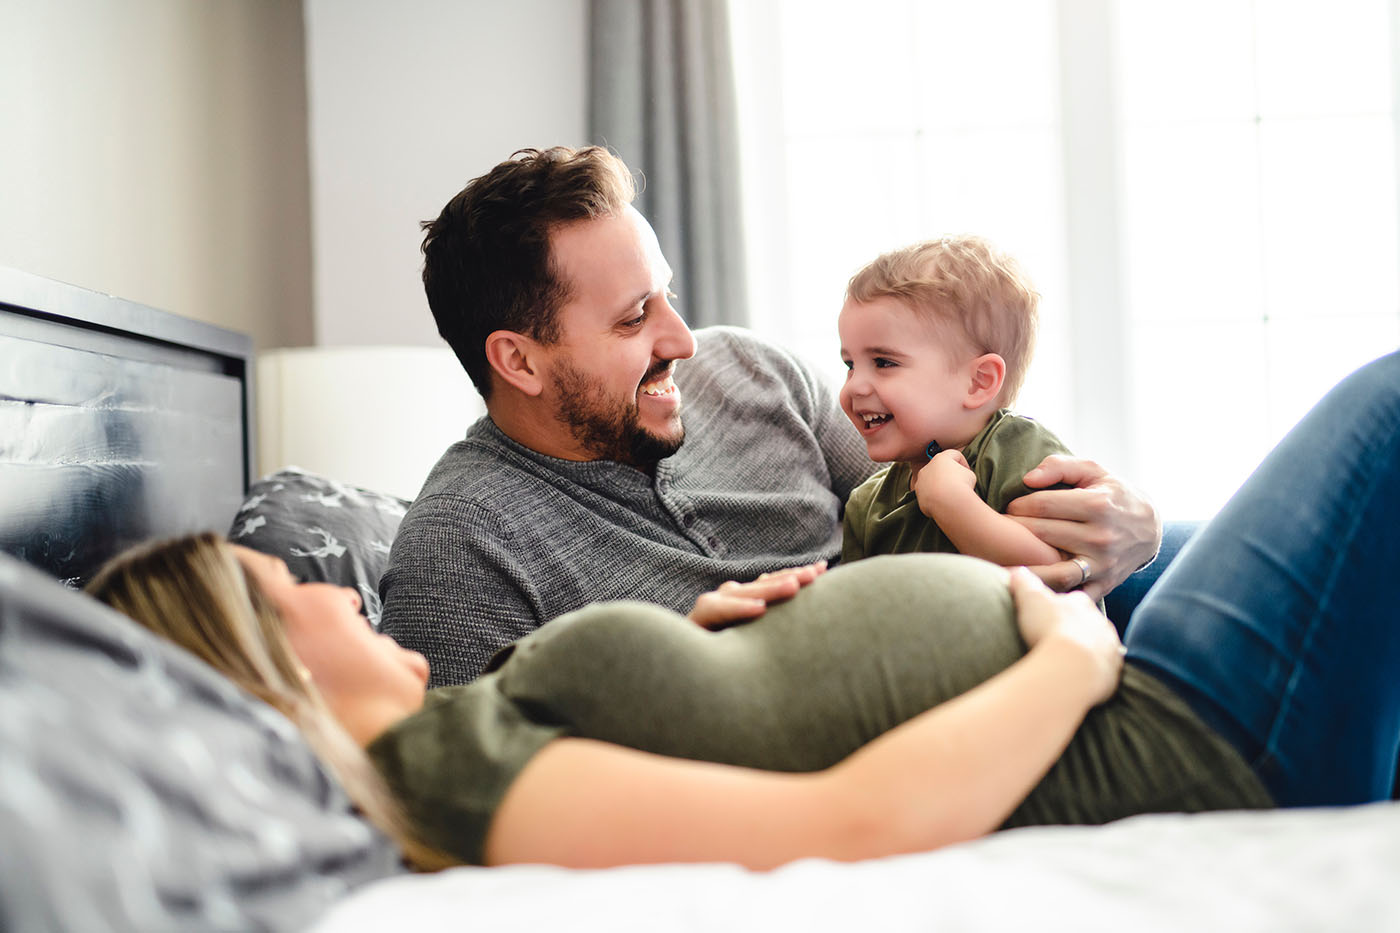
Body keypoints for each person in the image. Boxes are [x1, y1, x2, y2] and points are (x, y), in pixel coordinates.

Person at [88, 348, 1400, 870]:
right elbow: (846, 823)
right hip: (1158, 733)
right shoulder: (439, 773)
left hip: (1105, 651)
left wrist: (713, 642)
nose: (327, 589)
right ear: (253, 667)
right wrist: (1067, 652)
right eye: (284, 590)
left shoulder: (462, 727)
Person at [379, 145, 1160, 685]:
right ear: (519, 361)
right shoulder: (462, 542)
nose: (684, 341)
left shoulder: (752, 371)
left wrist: (1125, 531)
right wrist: (676, 659)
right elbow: (463, 778)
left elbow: (944, 481)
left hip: (1016, 626)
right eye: (632, 319)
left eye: (668, 295)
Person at [839, 235, 1073, 570]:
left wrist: (950, 502)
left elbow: (1059, 573)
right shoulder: (865, 506)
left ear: (978, 382)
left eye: (884, 363)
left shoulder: (1020, 453)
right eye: (850, 365)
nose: (855, 386)